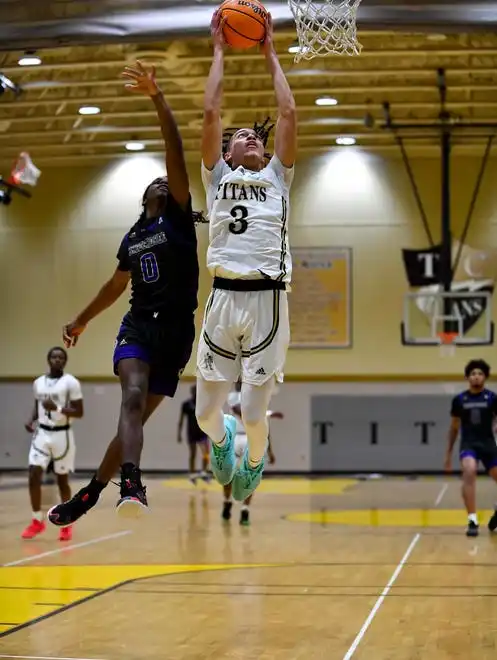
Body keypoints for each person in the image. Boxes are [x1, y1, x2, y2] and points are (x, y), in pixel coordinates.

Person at [47, 61, 201, 528]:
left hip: (175, 334)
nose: (162, 180)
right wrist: (82, 319)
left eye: (167, 180)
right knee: (131, 400)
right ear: (143, 198)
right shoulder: (133, 235)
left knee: (134, 419)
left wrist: (158, 98)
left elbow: (174, 150)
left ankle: (92, 492)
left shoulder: (177, 217)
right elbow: (115, 286)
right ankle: (130, 481)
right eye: (155, 181)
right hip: (137, 325)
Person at [195, 10, 297, 503]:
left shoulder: (278, 177)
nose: (250, 138)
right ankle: (225, 444)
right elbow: (210, 113)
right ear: (229, 154)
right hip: (221, 298)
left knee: (255, 415)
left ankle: (254, 461)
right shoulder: (216, 178)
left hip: (267, 302)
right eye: (241, 138)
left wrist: (269, 53)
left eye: (255, 136)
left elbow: (290, 115)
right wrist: (219, 50)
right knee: (205, 416)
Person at [22, 347, 83, 541]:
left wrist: (56, 407)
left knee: (62, 481)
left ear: (65, 361)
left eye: (61, 357)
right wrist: (31, 419)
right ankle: (36, 520)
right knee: (33, 474)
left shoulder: (71, 383)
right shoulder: (38, 382)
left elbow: (79, 412)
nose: (57, 360)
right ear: (48, 360)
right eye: (54, 357)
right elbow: (37, 405)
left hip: (62, 435)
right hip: (42, 434)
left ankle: (66, 522)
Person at [445, 359, 497, 537]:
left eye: (480, 374)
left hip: (489, 444)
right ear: (467, 377)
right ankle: (472, 519)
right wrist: (448, 453)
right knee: (469, 470)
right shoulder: (459, 400)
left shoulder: (492, 398)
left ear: (485, 377)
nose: (476, 377)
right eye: (473, 373)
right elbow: (453, 427)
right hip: (469, 444)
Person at [222, 380, 280, 525]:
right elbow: (238, 410)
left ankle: (245, 509)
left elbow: (264, 425)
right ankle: (227, 501)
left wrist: (270, 449)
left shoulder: (257, 398)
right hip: (235, 437)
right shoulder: (232, 396)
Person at [178, 385, 211, 483]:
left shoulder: (203, 404)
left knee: (206, 453)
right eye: (194, 391)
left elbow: (208, 418)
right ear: (192, 392)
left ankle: (204, 472)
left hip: (202, 432)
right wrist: (179, 434)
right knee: (193, 454)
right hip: (191, 432)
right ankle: (192, 474)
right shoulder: (186, 404)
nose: (196, 393)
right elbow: (181, 420)